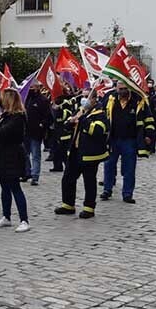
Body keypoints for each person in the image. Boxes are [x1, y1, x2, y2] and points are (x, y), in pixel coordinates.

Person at [55, 88, 109, 219]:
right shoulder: (80, 110)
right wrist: (71, 121)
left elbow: (97, 130)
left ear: (94, 99)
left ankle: (89, 208)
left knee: (89, 181)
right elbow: (67, 125)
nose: (84, 100)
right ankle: (68, 205)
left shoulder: (101, 112)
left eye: (87, 97)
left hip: (90, 153)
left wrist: (83, 119)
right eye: (83, 96)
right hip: (75, 150)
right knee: (68, 178)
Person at [102, 81, 152, 204]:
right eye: (120, 89)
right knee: (109, 165)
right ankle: (107, 189)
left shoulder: (138, 100)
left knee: (129, 168)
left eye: (125, 88)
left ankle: (127, 193)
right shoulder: (109, 98)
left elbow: (149, 118)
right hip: (113, 138)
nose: (122, 91)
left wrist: (148, 135)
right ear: (116, 89)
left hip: (130, 139)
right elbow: (102, 114)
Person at [0, 88, 31, 232]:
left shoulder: (18, 117)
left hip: (13, 156)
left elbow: (2, 132)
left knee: (15, 187)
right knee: (4, 188)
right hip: (2, 156)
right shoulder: (6, 115)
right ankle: (6, 216)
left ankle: (24, 220)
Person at [23, 83, 52, 186]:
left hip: (36, 132)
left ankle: (35, 176)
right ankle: (27, 172)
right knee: (24, 153)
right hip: (26, 131)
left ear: (38, 88)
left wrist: (41, 125)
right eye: (30, 87)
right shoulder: (26, 99)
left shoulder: (43, 100)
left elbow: (48, 117)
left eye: (33, 87)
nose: (31, 89)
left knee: (35, 155)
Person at [48, 85, 76, 173]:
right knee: (55, 149)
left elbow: (67, 114)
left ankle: (68, 167)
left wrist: (58, 110)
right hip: (56, 129)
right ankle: (57, 166)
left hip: (64, 130)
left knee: (64, 151)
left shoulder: (65, 102)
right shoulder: (55, 101)